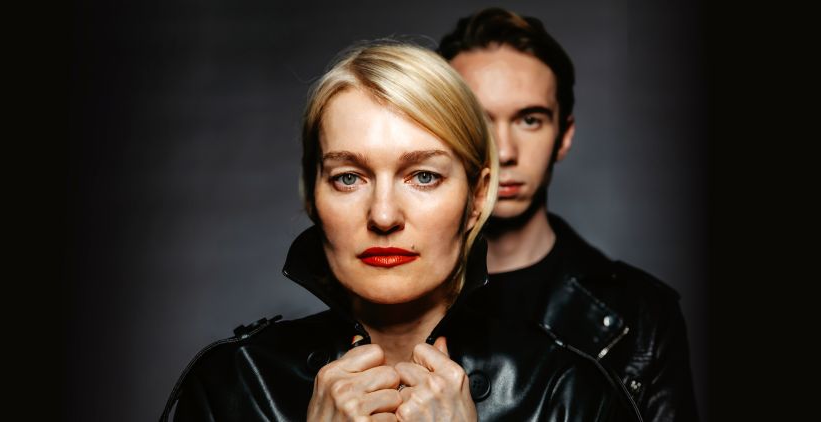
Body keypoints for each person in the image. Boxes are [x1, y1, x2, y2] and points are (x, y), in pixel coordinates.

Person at [161, 41, 639, 421]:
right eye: (349, 178)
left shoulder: (567, 392)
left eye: (423, 176)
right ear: (313, 196)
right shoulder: (235, 384)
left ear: (477, 197)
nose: (384, 215)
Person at [438, 8, 700, 422]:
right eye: (478, 121)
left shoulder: (643, 314)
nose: (504, 151)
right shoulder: (395, 301)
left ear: (564, 134)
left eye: (530, 120)